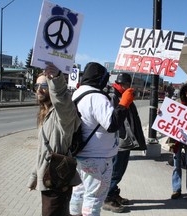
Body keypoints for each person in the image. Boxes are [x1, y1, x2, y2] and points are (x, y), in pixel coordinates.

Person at [69, 62, 134, 216]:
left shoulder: (77, 93)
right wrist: (124, 103)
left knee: (79, 191)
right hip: (98, 157)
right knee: (94, 197)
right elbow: (111, 124)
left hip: (81, 153)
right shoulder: (97, 97)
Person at [27, 63, 81, 216]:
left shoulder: (63, 115)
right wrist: (34, 176)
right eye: (36, 85)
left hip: (58, 177)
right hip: (47, 178)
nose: (39, 89)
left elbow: (63, 101)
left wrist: (56, 78)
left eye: (44, 84)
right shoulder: (45, 114)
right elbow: (41, 152)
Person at [103, 73, 147, 213]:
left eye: (128, 85)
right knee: (116, 171)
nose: (127, 87)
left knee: (119, 171)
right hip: (118, 142)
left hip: (125, 141)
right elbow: (112, 119)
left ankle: (113, 193)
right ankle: (107, 198)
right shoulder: (113, 96)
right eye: (125, 85)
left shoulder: (125, 95)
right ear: (120, 84)